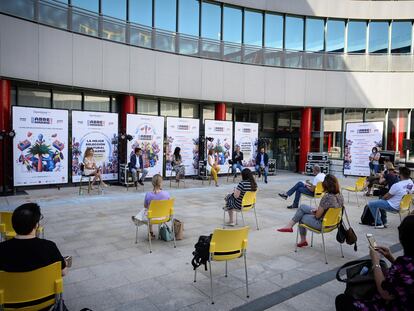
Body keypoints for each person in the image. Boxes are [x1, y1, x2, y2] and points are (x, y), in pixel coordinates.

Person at [335, 215, 414, 311]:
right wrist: (390, 257)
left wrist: (375, 262)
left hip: (392, 306)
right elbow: (405, 274)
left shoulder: (404, 263)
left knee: (342, 300)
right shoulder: (406, 263)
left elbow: (385, 293)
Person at [277, 174, 344, 247]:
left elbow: (318, 216)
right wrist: (317, 210)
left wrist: (316, 212)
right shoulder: (340, 195)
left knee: (301, 216)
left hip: (322, 224)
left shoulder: (327, 197)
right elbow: (330, 210)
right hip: (333, 223)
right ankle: (290, 226)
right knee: (302, 207)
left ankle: (301, 238)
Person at [0, 203, 68, 275]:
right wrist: (65, 263)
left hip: (10, 286)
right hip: (42, 286)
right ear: (36, 225)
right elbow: (63, 272)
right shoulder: (49, 247)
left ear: (13, 225)